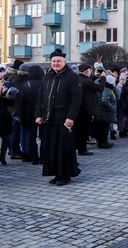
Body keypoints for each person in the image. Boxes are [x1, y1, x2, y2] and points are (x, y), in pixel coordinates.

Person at [36, 49, 82, 186]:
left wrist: (71, 117)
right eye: (54, 61)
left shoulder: (72, 77)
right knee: (51, 148)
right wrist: (38, 114)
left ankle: (65, 175)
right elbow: (40, 97)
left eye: (58, 61)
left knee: (64, 148)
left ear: (64, 62)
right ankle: (56, 174)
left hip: (64, 119)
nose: (56, 63)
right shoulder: (47, 77)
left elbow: (76, 99)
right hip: (49, 119)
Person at [75, 63, 105, 156]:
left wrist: (95, 77)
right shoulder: (87, 81)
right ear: (86, 71)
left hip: (78, 110)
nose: (91, 72)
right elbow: (100, 88)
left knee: (79, 130)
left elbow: (88, 82)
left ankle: (79, 147)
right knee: (84, 131)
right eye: (90, 71)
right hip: (86, 110)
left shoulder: (78, 79)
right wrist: (103, 78)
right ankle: (82, 150)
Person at [19, 65, 44, 164]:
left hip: (29, 114)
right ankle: (43, 156)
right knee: (43, 137)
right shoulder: (44, 84)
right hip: (43, 114)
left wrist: (22, 117)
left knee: (31, 136)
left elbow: (22, 103)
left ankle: (33, 157)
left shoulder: (26, 85)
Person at [93, 75, 117, 149]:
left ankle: (101, 142)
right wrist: (111, 107)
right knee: (104, 129)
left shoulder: (104, 88)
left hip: (101, 112)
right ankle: (104, 143)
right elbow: (104, 101)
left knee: (102, 128)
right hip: (104, 113)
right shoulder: (107, 89)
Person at [0, 74, 17, 165]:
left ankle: (2, 157)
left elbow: (11, 103)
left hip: (4, 119)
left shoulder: (5, 90)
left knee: (6, 139)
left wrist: (6, 94)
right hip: (3, 118)